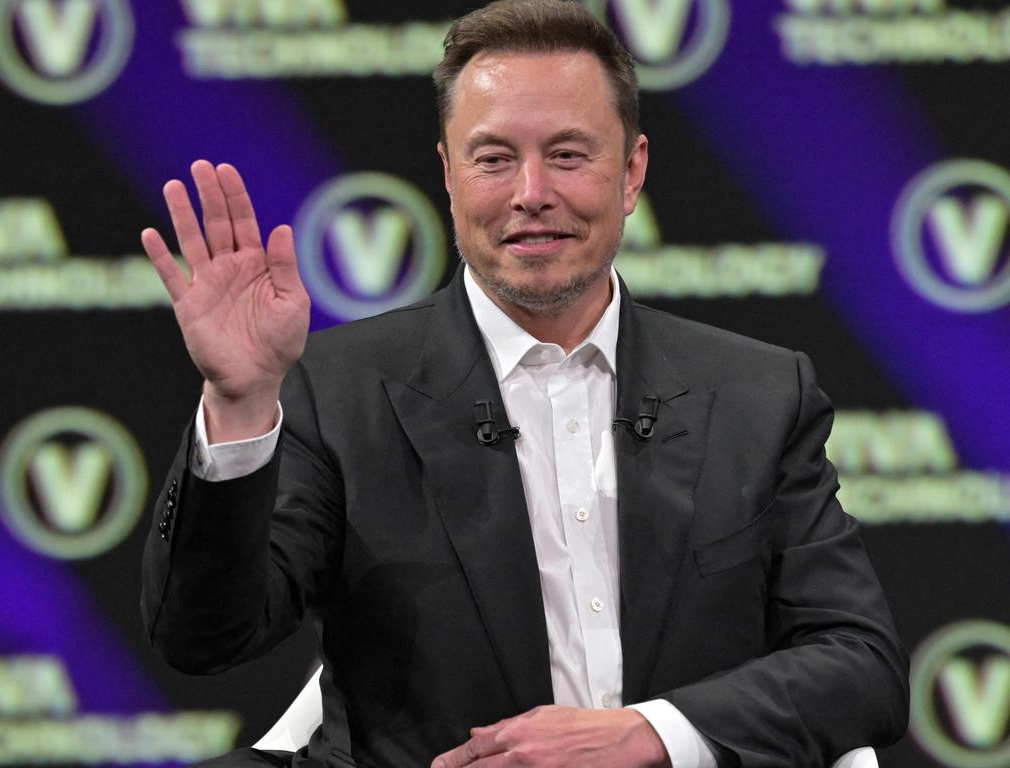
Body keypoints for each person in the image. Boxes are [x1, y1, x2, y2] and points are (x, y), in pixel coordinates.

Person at [139, 1, 909, 766]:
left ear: (632, 170)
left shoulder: (758, 395)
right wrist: (239, 403)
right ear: (448, 174)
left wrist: (652, 734)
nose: (530, 192)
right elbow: (206, 639)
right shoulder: (337, 391)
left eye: (569, 154)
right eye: (494, 157)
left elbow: (860, 664)